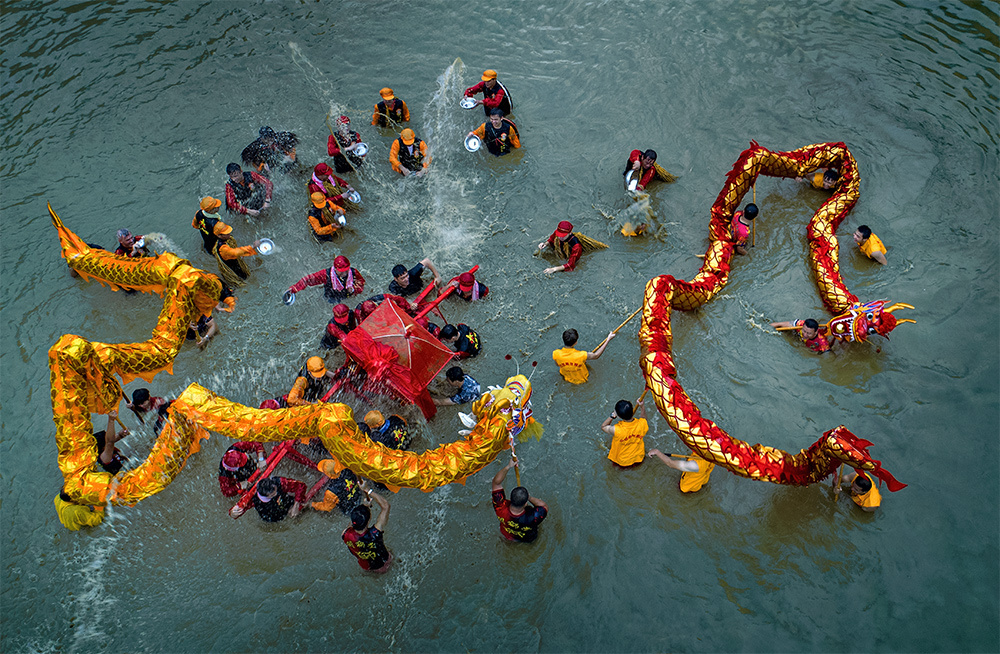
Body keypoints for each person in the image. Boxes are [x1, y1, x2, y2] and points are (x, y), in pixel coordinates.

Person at [491, 457, 547, 542]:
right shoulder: (533, 517)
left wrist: (508, 466)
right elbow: (544, 506)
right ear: (525, 503)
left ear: (510, 499)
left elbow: (496, 482)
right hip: (528, 538)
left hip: (507, 535)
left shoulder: (500, 506)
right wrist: (530, 498)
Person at [343, 483, 392, 572]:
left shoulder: (345, 534)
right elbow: (386, 506)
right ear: (369, 520)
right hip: (383, 563)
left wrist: (364, 506)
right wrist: (367, 490)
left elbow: (353, 523)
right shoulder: (375, 534)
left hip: (365, 566)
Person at [284, 255, 366, 304]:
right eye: (341, 272)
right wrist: (294, 289)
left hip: (347, 295)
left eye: (346, 271)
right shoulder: (326, 274)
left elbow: (361, 282)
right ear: (335, 269)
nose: (345, 274)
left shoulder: (353, 272)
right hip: (332, 297)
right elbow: (307, 280)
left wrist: (354, 290)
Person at [537, 220, 608, 273]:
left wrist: (554, 269)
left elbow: (570, 264)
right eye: (559, 235)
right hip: (563, 249)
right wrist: (545, 244)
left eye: (563, 236)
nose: (560, 237)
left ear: (570, 233)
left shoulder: (576, 246)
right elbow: (551, 239)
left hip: (572, 254)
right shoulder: (557, 232)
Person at [601, 397, 648, 467]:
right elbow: (644, 418)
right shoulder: (642, 424)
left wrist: (612, 416)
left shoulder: (616, 430)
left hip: (621, 462)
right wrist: (642, 406)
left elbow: (603, 426)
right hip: (639, 459)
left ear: (619, 417)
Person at [212, 222, 261, 288]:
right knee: (243, 279)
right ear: (219, 236)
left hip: (231, 261)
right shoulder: (223, 249)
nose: (229, 234)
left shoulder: (222, 241)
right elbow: (236, 252)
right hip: (233, 268)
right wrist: (253, 246)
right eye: (226, 234)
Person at [647, 449, 716, 493]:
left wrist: (657, 452)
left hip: (689, 487)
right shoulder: (715, 453)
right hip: (703, 479)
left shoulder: (695, 465)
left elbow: (670, 463)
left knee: (682, 489)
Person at [94, 410, 129, 475]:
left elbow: (111, 440)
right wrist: (111, 420)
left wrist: (121, 435)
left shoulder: (106, 450)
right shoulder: (104, 457)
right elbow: (110, 441)